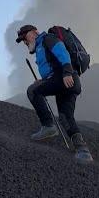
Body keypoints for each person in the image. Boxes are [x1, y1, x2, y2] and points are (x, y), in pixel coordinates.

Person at [16, 24, 93, 163]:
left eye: (24, 37)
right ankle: (83, 151)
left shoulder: (47, 39)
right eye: (22, 40)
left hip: (65, 77)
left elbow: (62, 52)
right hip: (69, 81)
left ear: (34, 32)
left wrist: (67, 72)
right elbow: (53, 65)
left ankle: (48, 126)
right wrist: (44, 80)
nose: (24, 42)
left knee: (33, 91)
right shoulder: (42, 46)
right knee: (65, 116)